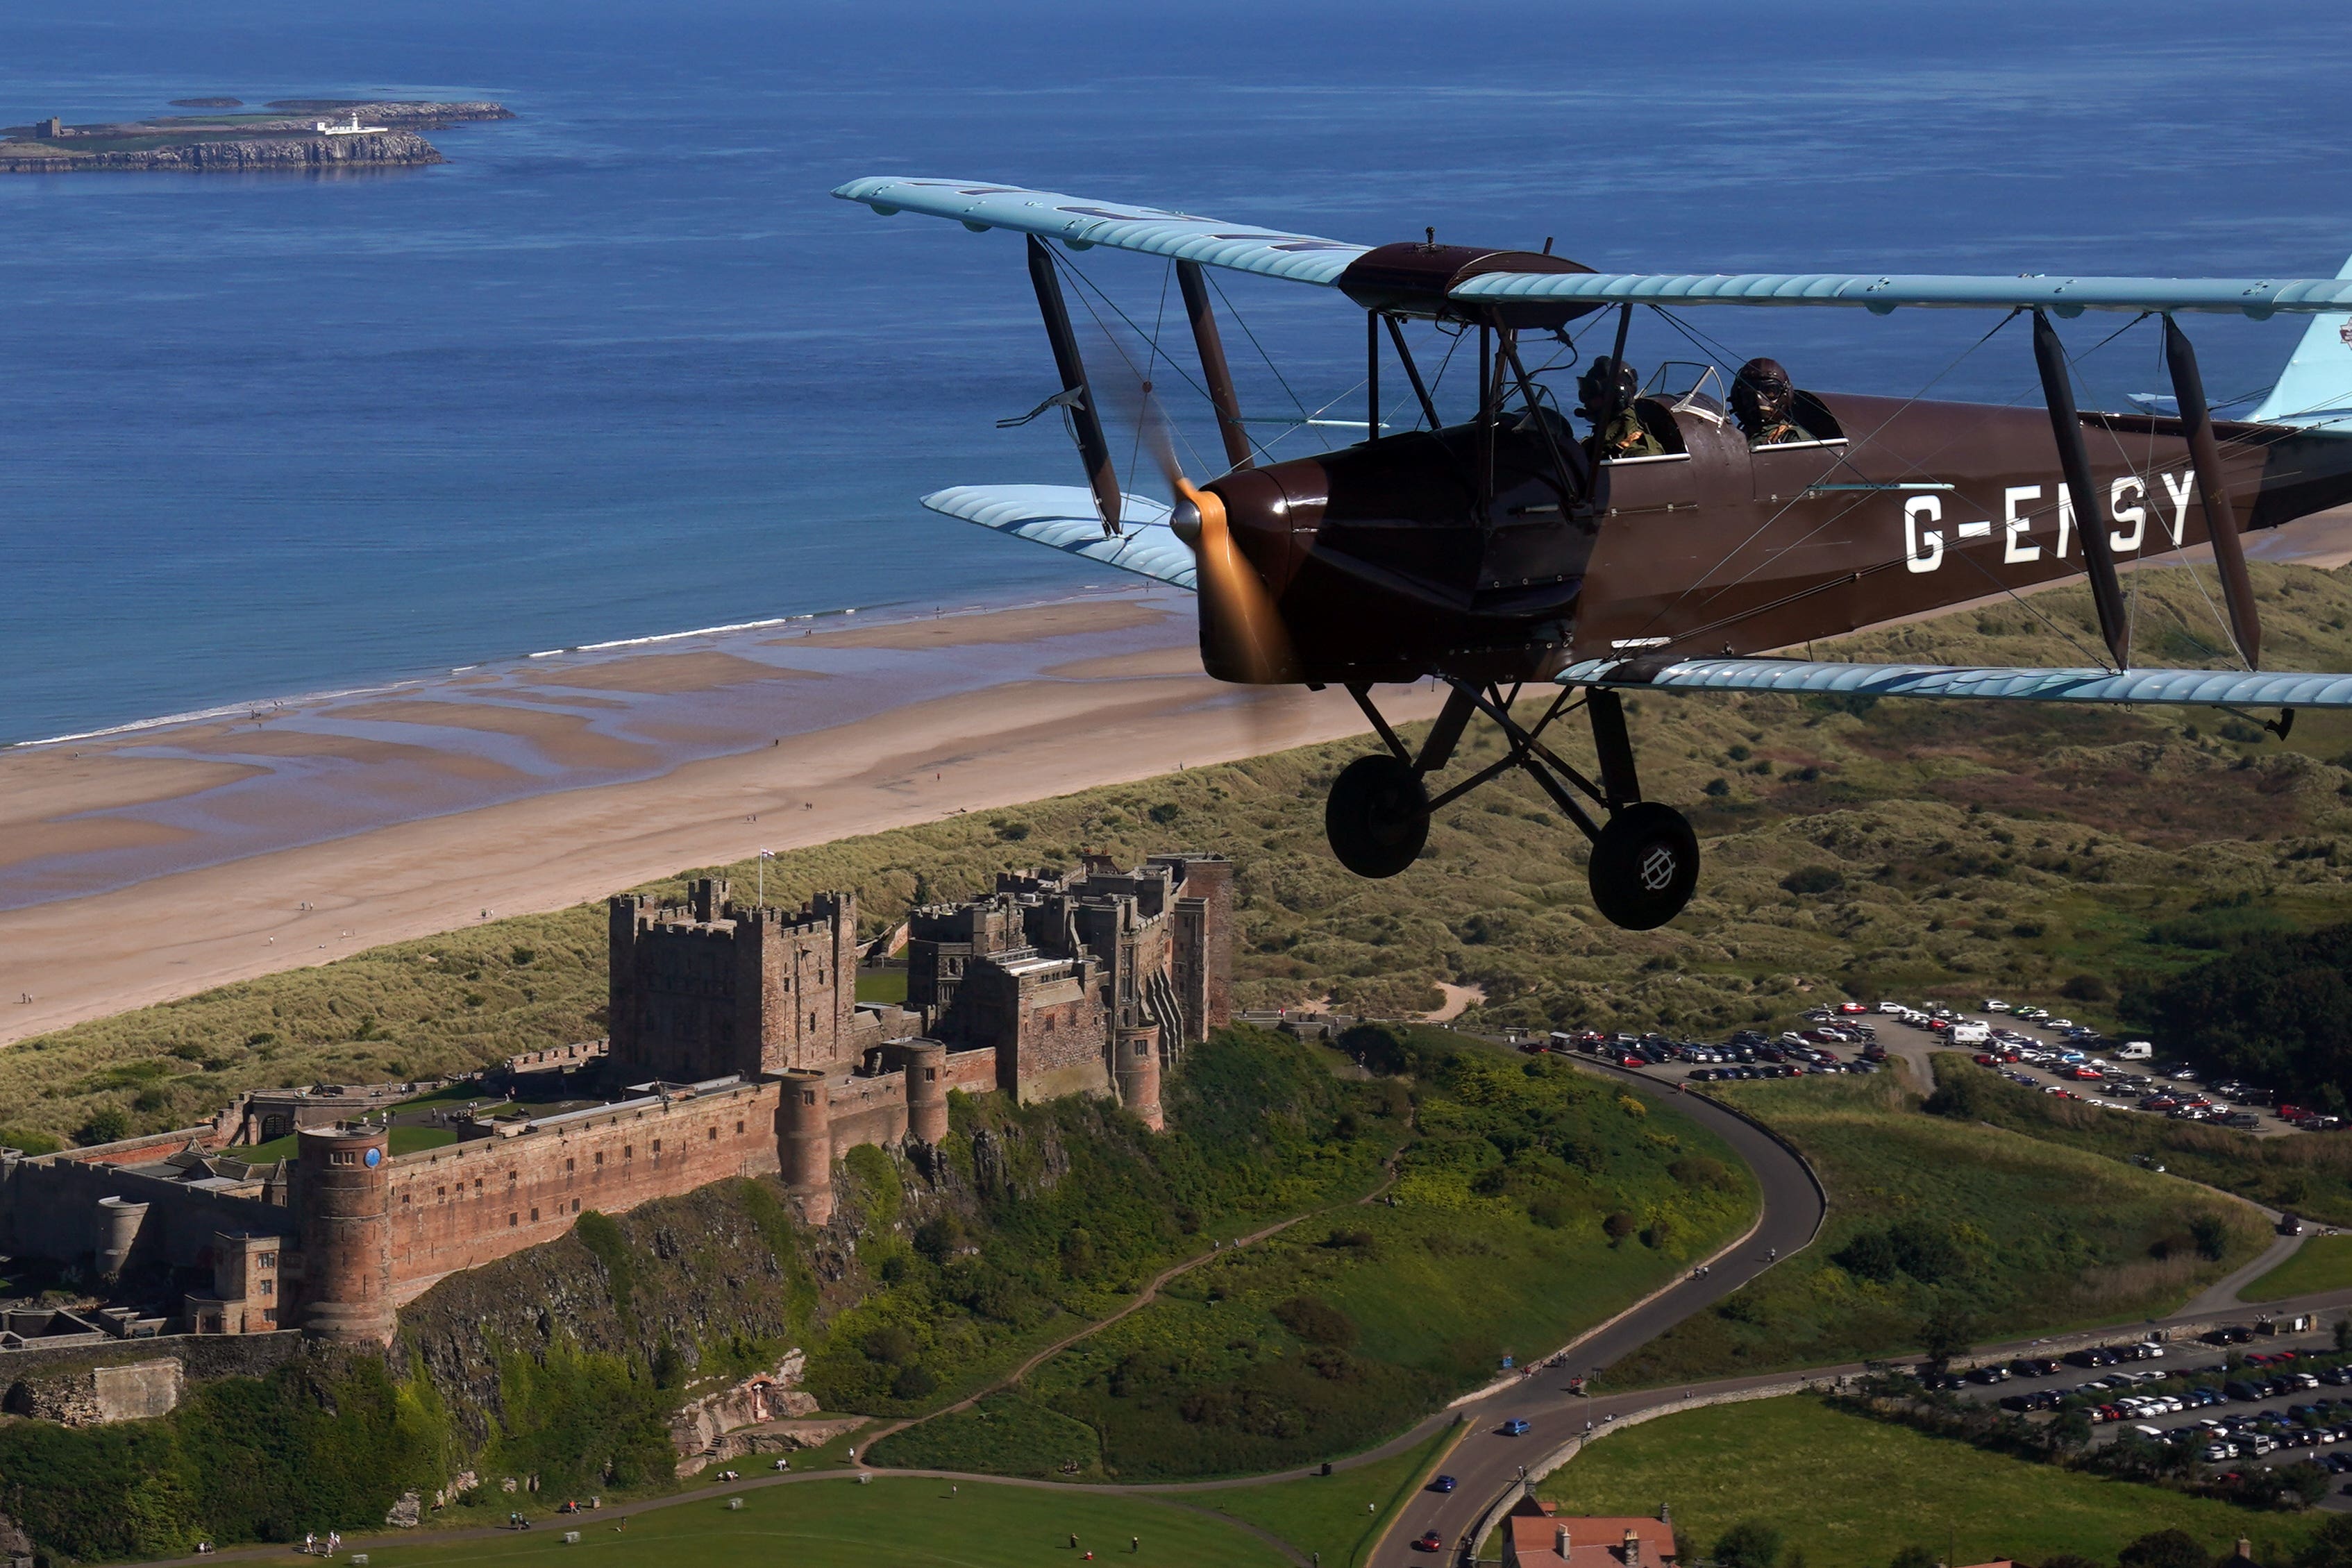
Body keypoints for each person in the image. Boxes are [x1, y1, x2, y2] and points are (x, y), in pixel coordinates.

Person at [1577, 357, 1662, 459]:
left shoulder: (1642, 455)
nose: (1584, 399)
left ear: (1615, 398)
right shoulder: (1596, 444)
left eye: (1590, 391)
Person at [1730, 357, 1813, 446]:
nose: (1758, 399)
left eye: (1770, 392)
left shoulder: (1794, 440)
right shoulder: (1733, 439)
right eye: (1749, 393)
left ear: (1785, 394)